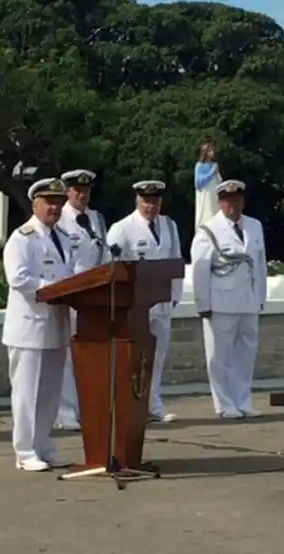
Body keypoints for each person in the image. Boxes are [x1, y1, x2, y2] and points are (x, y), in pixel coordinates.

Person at [2, 177, 75, 472]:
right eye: (49, 203)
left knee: (49, 392)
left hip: (56, 325)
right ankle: (25, 450)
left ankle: (44, 444)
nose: (54, 209)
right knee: (26, 393)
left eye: (58, 203)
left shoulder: (64, 237)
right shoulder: (23, 237)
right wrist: (53, 289)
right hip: (29, 328)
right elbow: (17, 278)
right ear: (35, 204)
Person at [106, 180, 183, 423]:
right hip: (135, 305)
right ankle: (130, 406)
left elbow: (176, 260)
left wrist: (175, 296)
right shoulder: (122, 228)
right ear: (137, 201)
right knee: (133, 357)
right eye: (146, 201)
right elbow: (110, 267)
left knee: (156, 357)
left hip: (161, 303)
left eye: (155, 201)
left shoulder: (169, 226)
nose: (151, 206)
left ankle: (153, 404)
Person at [191, 179, 267, 419]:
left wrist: (260, 297)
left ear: (242, 201)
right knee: (220, 357)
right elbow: (200, 270)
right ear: (220, 203)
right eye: (227, 201)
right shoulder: (208, 230)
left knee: (246, 354)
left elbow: (260, 264)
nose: (232, 205)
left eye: (236, 200)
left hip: (248, 301)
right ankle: (224, 404)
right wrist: (203, 304)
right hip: (221, 302)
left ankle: (243, 400)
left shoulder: (254, 226)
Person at [54, 168, 108, 431]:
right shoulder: (60, 219)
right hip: (73, 296)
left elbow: (104, 253)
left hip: (95, 296)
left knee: (90, 356)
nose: (81, 195)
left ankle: (86, 408)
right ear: (67, 191)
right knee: (67, 355)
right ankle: (65, 412)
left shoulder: (96, 218)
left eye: (86, 191)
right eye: (76, 190)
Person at [194, 141, 222, 228]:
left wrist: (216, 173)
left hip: (214, 193)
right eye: (210, 151)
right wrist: (211, 173)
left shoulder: (214, 164)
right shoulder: (199, 165)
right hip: (206, 194)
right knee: (207, 212)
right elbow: (198, 183)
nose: (212, 153)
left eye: (213, 151)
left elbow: (219, 180)